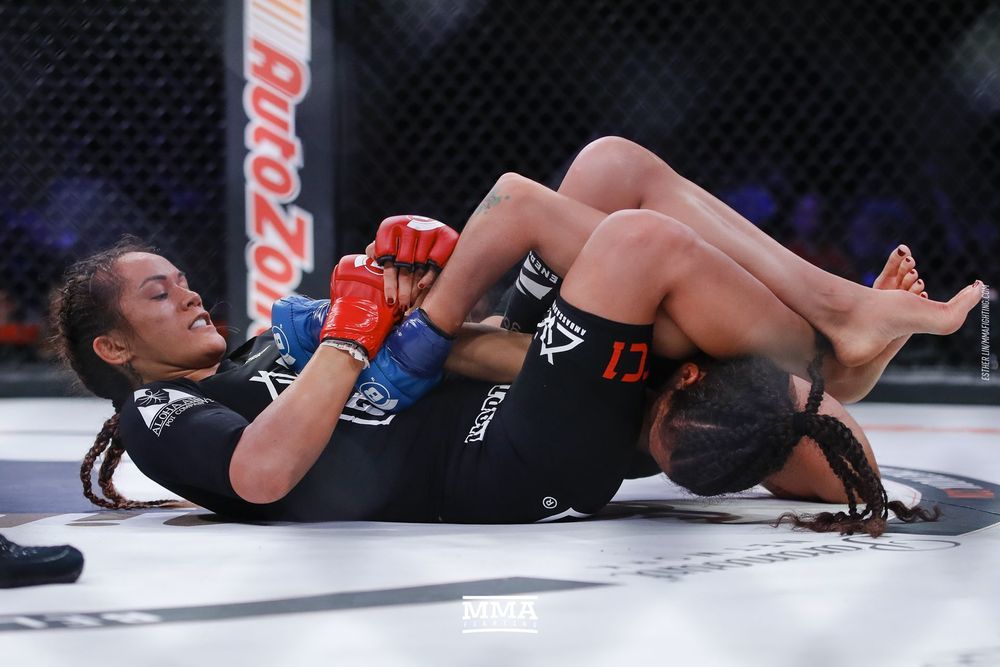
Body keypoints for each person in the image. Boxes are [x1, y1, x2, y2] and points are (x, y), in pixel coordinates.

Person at [52, 137, 981, 535]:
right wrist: (358, 333)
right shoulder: (157, 407)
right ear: (114, 349)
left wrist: (412, 299)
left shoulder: (264, 344)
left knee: (608, 167)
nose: (189, 294)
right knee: (633, 242)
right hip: (506, 455)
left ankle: (834, 337)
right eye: (159, 294)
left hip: (527, 381)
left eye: (180, 279)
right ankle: (835, 340)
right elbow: (261, 472)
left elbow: (437, 359)